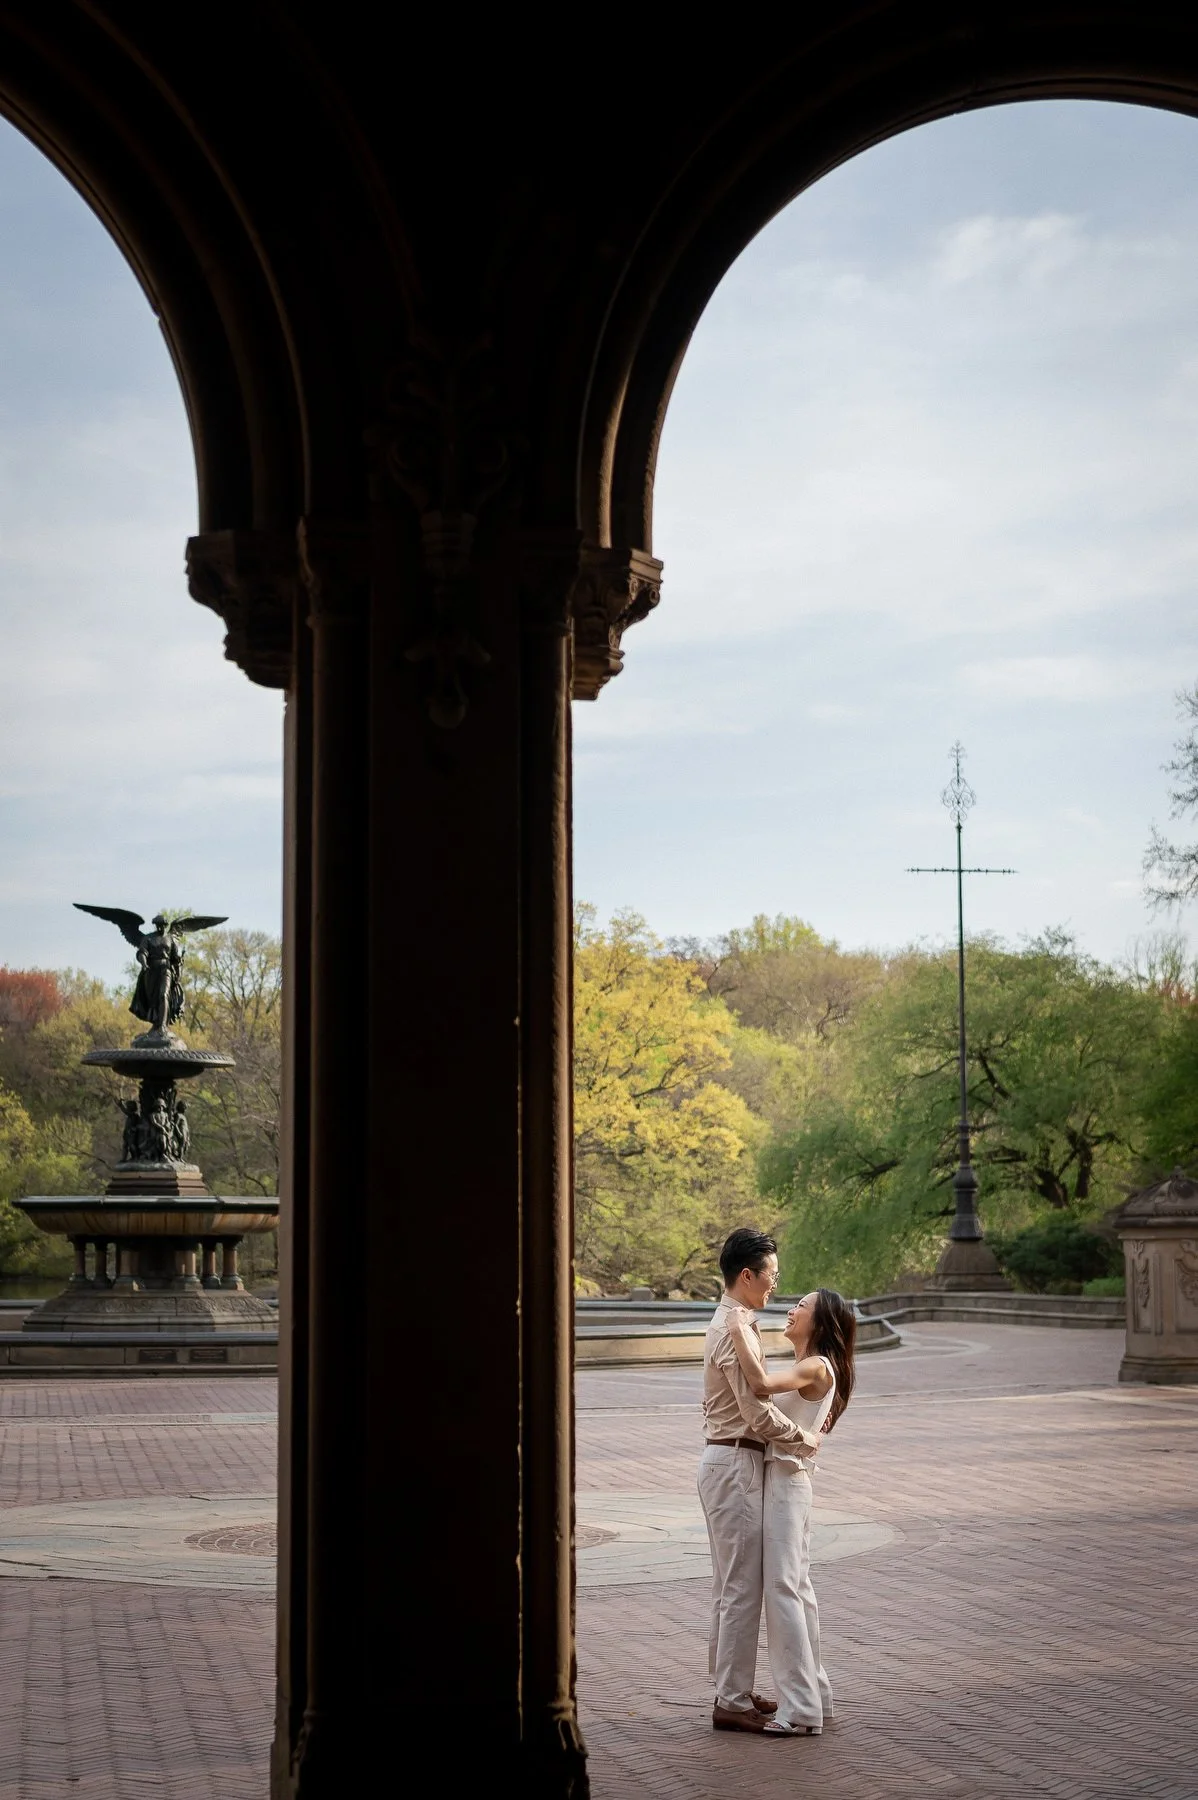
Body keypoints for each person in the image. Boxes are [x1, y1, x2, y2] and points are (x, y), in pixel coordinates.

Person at [699, 1229, 820, 1737]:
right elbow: (755, 1410)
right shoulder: (736, 1328)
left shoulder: (736, 1321)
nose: (776, 1284)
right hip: (735, 1463)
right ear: (746, 1275)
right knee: (742, 1589)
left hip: (728, 1461)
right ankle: (730, 1700)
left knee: (733, 1587)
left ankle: (735, 1688)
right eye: (771, 1274)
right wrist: (801, 1440)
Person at [731, 1286, 858, 1736]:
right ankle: (815, 1698)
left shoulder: (816, 1365)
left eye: (801, 1305)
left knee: (783, 1591)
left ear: (820, 1321)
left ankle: (801, 1710)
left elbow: (761, 1386)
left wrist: (736, 1328)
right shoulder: (817, 1366)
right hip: (790, 1481)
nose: (791, 1308)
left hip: (787, 1482)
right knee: (796, 1591)